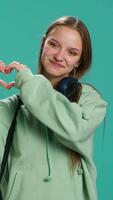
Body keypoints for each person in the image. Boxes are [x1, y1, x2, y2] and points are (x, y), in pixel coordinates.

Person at [0, 16, 107, 200]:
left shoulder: (89, 100)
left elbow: (76, 129)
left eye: (72, 52)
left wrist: (30, 82)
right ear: (43, 44)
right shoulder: (10, 109)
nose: (59, 56)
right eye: (54, 44)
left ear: (79, 61)